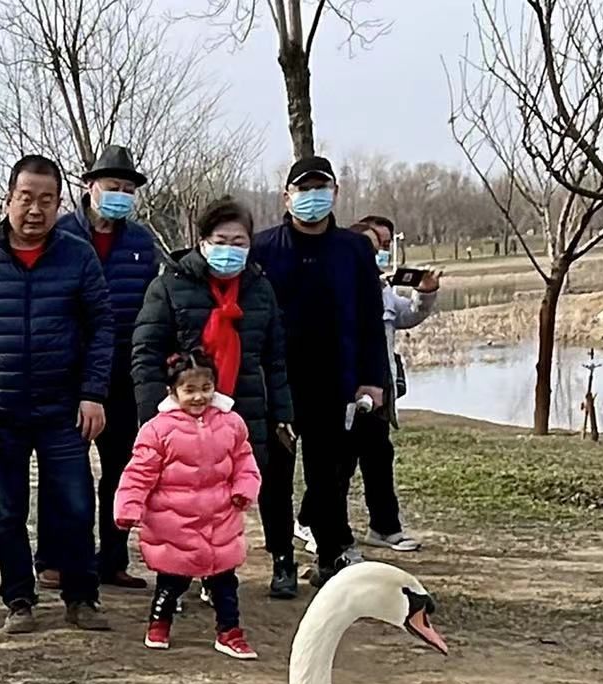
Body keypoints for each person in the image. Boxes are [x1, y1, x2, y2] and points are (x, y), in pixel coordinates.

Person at [0, 154, 116, 635]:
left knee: (76, 504)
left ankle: (81, 597)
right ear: (8, 199)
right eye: (26, 198)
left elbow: (102, 326)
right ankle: (18, 598)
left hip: (65, 408)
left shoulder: (77, 256)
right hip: (1, 411)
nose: (35, 210)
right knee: (6, 511)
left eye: (47, 200)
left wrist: (93, 393)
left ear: (59, 204)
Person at [250, 156, 389, 596]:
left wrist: (374, 378)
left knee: (329, 475)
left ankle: (329, 555)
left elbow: (371, 316)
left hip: (336, 381)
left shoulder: (353, 249)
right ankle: (281, 559)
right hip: (278, 385)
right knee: (274, 477)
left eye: (320, 189)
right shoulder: (263, 248)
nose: (312, 198)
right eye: (303, 189)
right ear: (286, 197)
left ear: (335, 194)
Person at [54, 143, 161, 591]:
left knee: (121, 471)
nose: (119, 195)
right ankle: (60, 559)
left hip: (123, 372)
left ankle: (113, 559)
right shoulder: (61, 236)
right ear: (89, 187)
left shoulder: (141, 242)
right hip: (68, 372)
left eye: (126, 189)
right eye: (111, 186)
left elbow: (153, 306)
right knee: (67, 473)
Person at [114, 349, 263, 660]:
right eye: (190, 390)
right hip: (175, 525)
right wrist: (128, 507)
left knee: (225, 583)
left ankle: (230, 632)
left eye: (206, 389)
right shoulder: (158, 430)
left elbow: (245, 462)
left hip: (220, 518)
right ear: (173, 391)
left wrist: (244, 489)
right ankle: (159, 622)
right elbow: (139, 473)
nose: (199, 397)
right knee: (172, 581)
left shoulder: (231, 423)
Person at [132, 197, 293, 477]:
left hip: (244, 413)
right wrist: (152, 417)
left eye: (239, 242)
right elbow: (147, 355)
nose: (229, 249)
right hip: (183, 412)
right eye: (221, 240)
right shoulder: (169, 286)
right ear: (203, 241)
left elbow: (275, 360)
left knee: (233, 500)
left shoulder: (260, 289)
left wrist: (282, 414)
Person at [346, 214, 439, 553]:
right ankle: (317, 525)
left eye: (385, 246)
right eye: (375, 246)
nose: (381, 253)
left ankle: (384, 527)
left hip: (378, 393)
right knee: (338, 465)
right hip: (342, 394)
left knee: (378, 459)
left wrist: (426, 294)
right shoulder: (335, 286)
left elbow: (408, 315)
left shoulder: (382, 289)